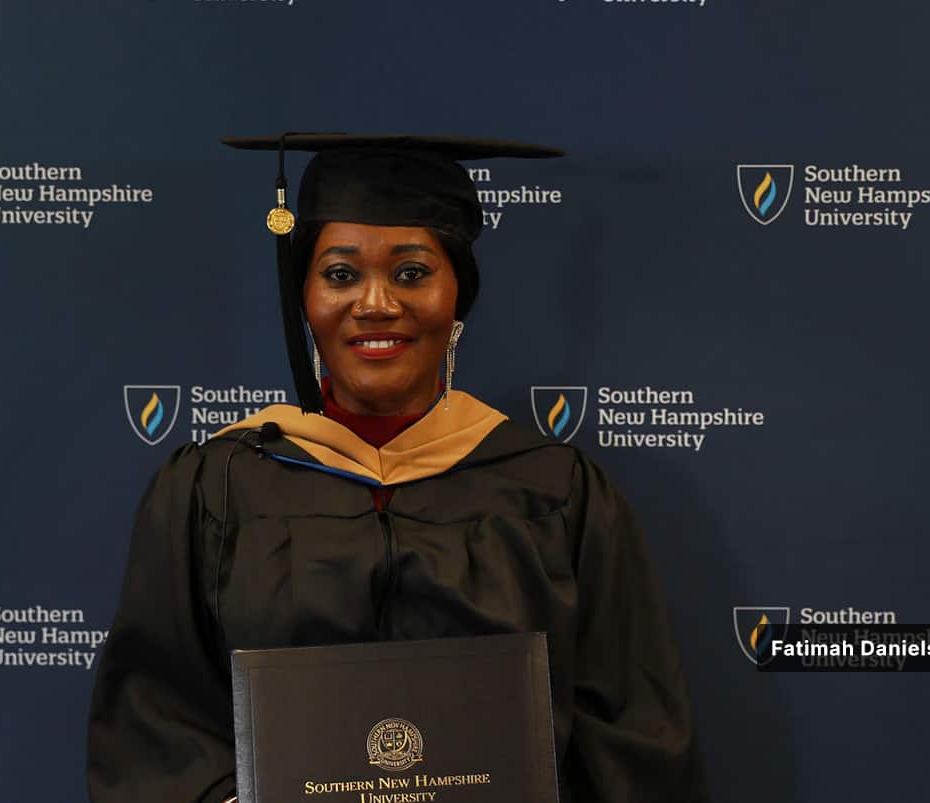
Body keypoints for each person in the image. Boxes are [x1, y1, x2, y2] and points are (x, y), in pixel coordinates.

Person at [86, 134, 707, 803]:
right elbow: (153, 720)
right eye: (340, 273)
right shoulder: (216, 488)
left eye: (412, 272)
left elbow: (633, 737)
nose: (376, 303)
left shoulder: (555, 492)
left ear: (457, 296)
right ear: (304, 298)